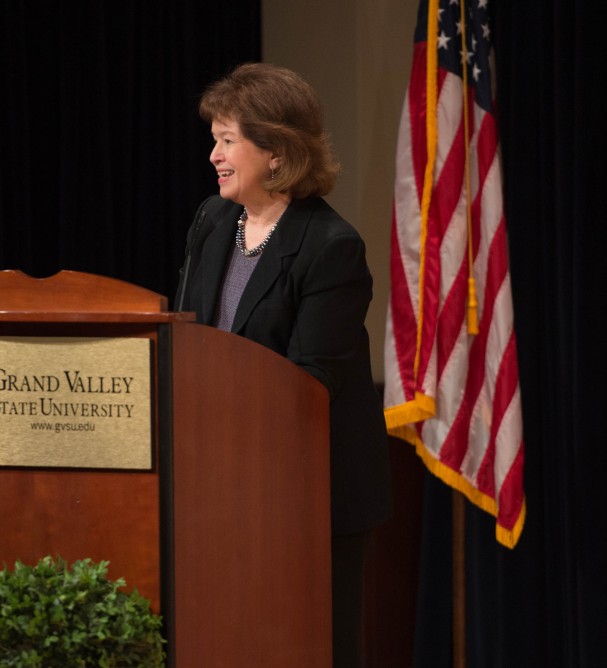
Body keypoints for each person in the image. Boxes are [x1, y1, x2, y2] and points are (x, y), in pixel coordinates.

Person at [174, 62, 394, 667]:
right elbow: (190, 338)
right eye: (213, 140)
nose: (214, 155)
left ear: (275, 150)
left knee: (311, 645)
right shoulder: (212, 221)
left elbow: (308, 383)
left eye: (227, 141)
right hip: (220, 485)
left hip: (310, 494)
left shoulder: (331, 246)